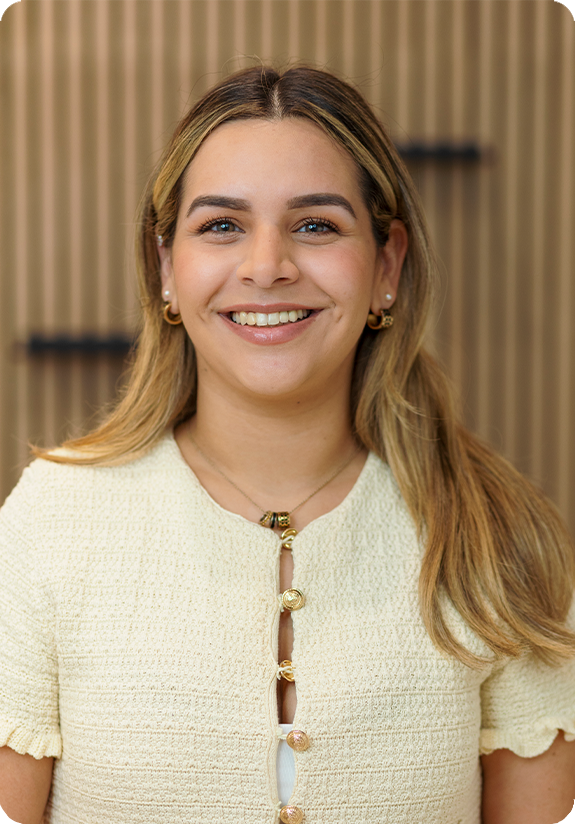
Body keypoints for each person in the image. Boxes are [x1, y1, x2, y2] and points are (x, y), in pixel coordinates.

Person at [1, 65, 574, 824]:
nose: (266, 265)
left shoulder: (500, 536)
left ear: (387, 267)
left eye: (315, 225)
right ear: (166, 268)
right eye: (221, 226)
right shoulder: (53, 519)